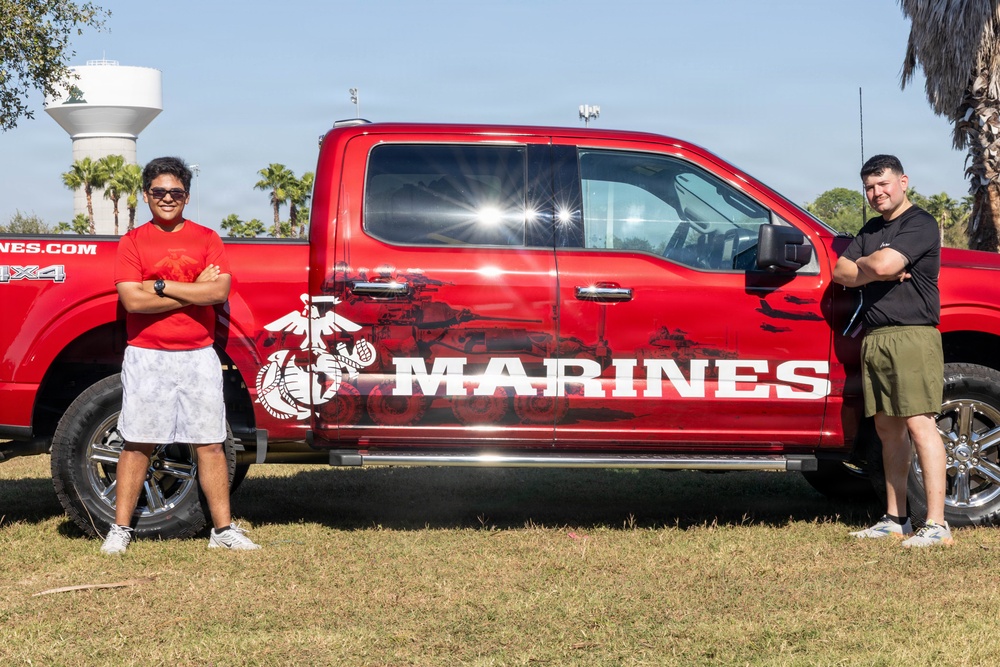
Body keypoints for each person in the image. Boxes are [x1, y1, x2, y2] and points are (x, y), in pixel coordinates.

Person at [102, 156, 259, 554]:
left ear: (186, 197)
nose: (167, 198)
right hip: (147, 355)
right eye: (159, 191)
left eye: (176, 192)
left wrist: (158, 286)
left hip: (197, 354)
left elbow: (217, 292)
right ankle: (120, 530)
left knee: (209, 442)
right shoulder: (133, 241)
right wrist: (186, 291)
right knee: (137, 441)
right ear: (146, 195)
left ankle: (222, 531)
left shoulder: (208, 239)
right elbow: (131, 302)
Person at [833, 154, 951, 548]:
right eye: (869, 187)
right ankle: (895, 518)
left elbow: (878, 267)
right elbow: (840, 272)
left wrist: (868, 267)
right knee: (888, 431)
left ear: (903, 181)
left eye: (883, 184)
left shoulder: (920, 223)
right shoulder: (871, 228)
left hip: (913, 334)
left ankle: (936, 525)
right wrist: (874, 266)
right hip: (877, 336)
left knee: (920, 424)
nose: (876, 193)